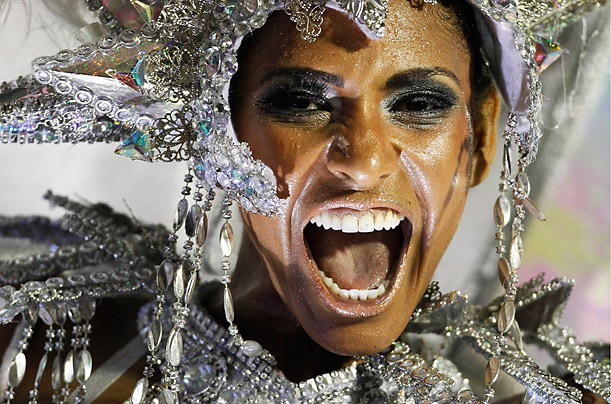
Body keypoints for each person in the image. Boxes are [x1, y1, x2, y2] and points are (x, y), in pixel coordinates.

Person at [0, 0, 608, 403]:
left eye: (420, 104)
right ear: (219, 132)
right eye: (300, 102)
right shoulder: (36, 363)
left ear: (481, 138)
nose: (363, 159)